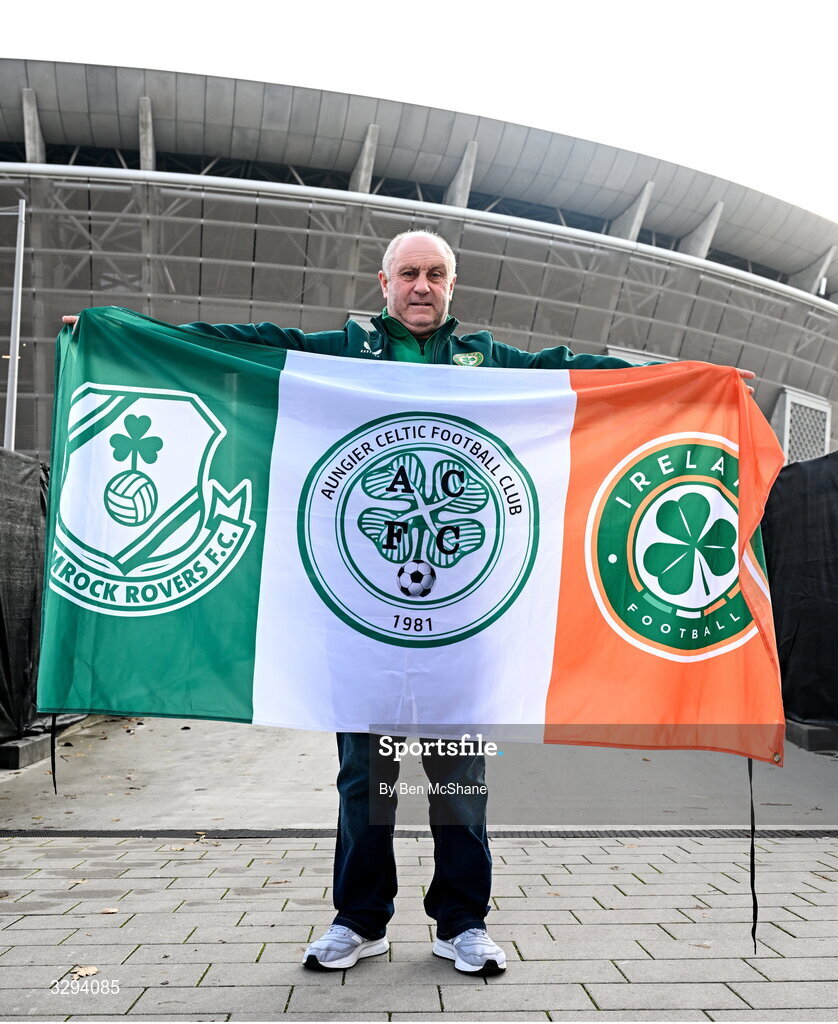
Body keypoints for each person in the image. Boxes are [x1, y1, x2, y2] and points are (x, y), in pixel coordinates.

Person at [62, 230, 755, 975]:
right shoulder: (339, 356)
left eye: (436, 274)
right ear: (383, 283)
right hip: (359, 622)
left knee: (461, 778)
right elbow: (247, 345)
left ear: (453, 286)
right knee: (368, 780)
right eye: (409, 274)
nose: (422, 286)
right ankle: (360, 919)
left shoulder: (490, 365)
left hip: (465, 624)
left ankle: (461, 922)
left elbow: (580, 374)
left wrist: (694, 379)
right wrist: (122, 334)